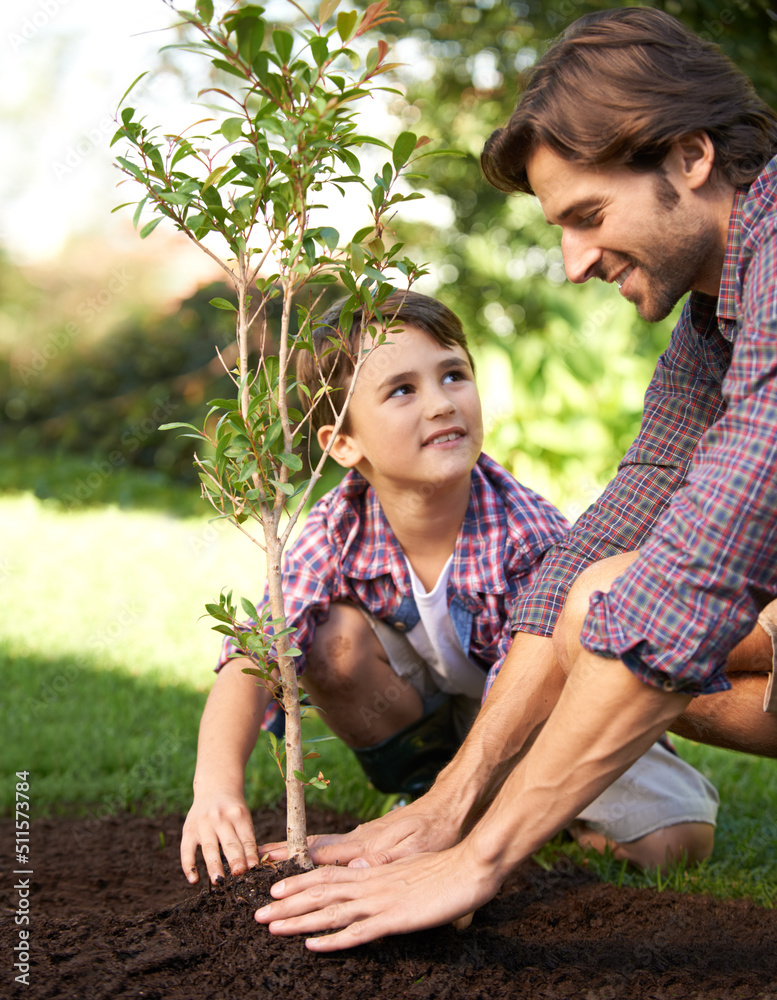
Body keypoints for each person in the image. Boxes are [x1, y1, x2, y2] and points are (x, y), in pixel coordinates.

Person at [253, 8, 777, 952]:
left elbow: (697, 576)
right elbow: (618, 520)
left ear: (691, 157)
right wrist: (443, 810)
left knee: (630, 610)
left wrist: (477, 859)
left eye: (588, 216)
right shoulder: (714, 318)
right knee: (588, 599)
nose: (574, 263)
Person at [180, 288, 718, 886]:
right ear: (342, 442)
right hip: (451, 719)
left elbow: (542, 689)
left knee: (677, 843)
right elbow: (259, 651)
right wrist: (215, 788)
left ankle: (502, 813)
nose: (441, 404)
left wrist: (469, 822)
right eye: (403, 390)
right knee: (329, 639)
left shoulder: (523, 532)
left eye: (454, 375)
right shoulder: (337, 525)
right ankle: (426, 788)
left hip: (538, 716)